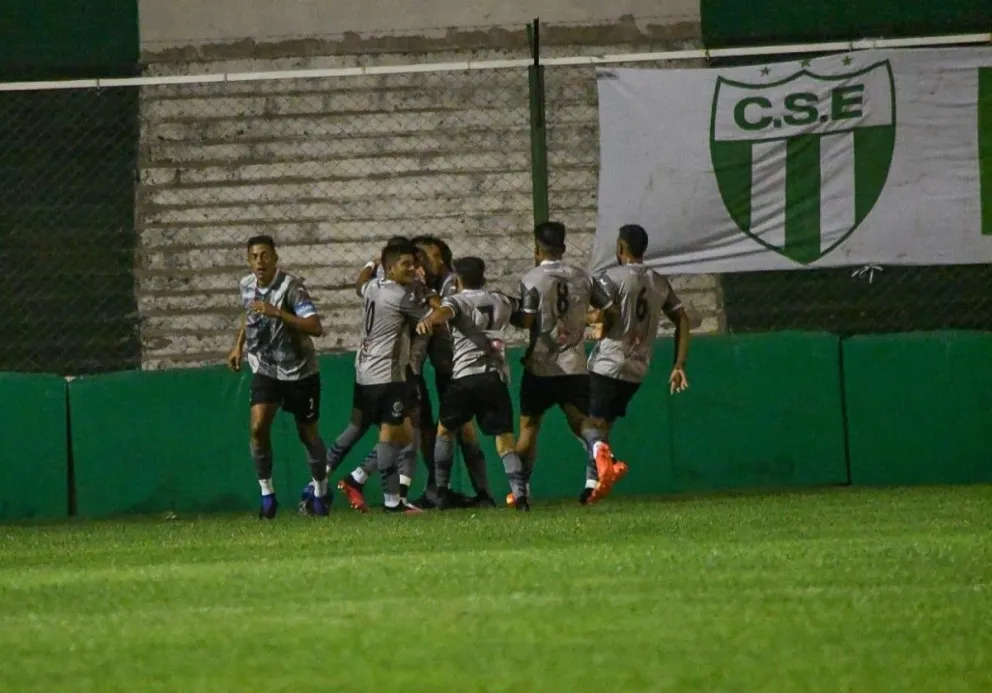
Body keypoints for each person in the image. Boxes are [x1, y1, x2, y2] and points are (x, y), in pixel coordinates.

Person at [580, 224, 691, 505]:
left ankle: (608, 461)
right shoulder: (658, 282)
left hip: (610, 361)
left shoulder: (610, 279)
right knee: (603, 425)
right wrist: (679, 364)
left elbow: (606, 313)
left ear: (620, 247)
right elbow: (682, 318)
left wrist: (587, 321)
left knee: (582, 420)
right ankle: (592, 487)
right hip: (638, 367)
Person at [509, 221, 615, 507]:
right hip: (574, 363)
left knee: (529, 426)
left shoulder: (532, 278)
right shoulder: (583, 277)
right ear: (564, 248)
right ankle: (598, 446)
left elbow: (527, 319)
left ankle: (521, 490)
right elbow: (609, 309)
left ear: (536, 249)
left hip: (540, 364)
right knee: (581, 421)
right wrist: (603, 329)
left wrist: (509, 312)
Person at [227, 235, 330, 519]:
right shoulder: (246, 285)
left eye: (265, 255)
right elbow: (249, 315)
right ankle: (267, 494)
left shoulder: (291, 288)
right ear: (249, 261)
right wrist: (238, 345)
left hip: (300, 371)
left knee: (307, 435)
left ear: (275, 258)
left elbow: (314, 326)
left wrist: (277, 312)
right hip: (266, 368)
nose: (260, 261)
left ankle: (321, 491)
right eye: (254, 256)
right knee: (258, 427)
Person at [416, 257, 530, 510]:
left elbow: (446, 312)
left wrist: (429, 319)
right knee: (504, 440)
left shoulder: (458, 300)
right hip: (495, 377)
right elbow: (524, 317)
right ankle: (520, 497)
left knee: (444, 430)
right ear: (484, 277)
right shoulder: (500, 299)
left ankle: (440, 493)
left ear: (457, 280)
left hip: (466, 377)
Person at [341, 241, 431, 513]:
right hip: (391, 373)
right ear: (391, 267)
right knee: (393, 436)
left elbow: (359, 285)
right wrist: (431, 297)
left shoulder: (373, 287)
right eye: (408, 264)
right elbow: (434, 315)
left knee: (404, 435)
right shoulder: (402, 295)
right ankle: (392, 501)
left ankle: (358, 478)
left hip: (377, 370)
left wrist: (369, 265)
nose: (414, 269)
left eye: (417, 263)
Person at [411, 235, 494, 508]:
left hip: (461, 367)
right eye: (423, 256)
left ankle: (478, 492)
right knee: (435, 430)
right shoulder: (423, 287)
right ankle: (440, 489)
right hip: (440, 367)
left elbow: (447, 315)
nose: (428, 261)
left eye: (434, 256)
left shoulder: (450, 286)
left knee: (461, 429)